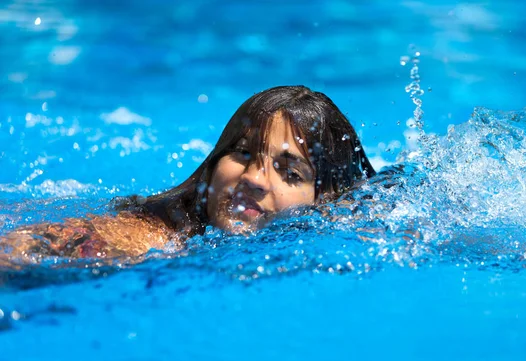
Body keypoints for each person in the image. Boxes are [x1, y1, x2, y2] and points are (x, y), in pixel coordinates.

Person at [0, 86, 376, 264]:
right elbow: (29, 246)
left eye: (289, 172)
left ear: (325, 198)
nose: (255, 179)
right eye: (243, 153)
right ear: (215, 161)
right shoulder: (162, 231)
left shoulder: (347, 232)